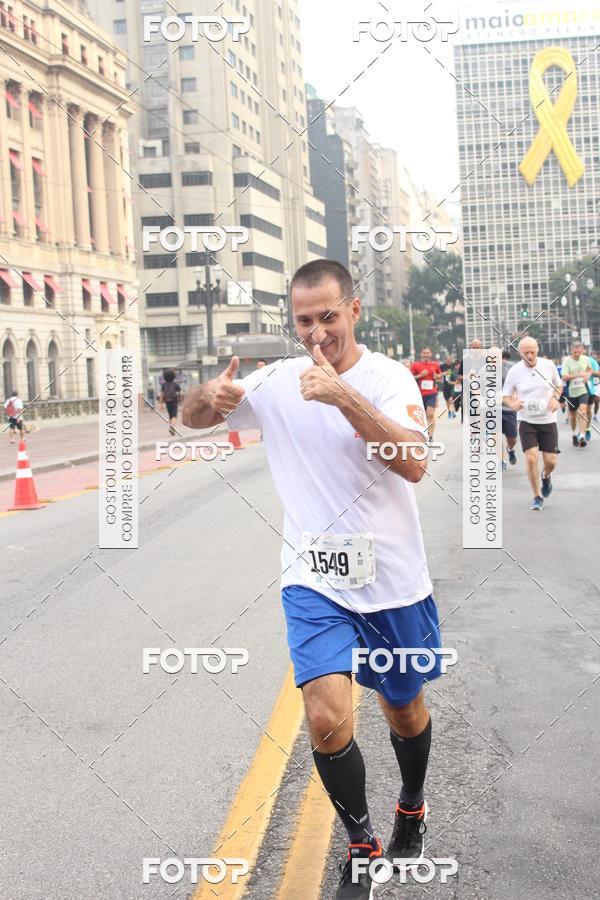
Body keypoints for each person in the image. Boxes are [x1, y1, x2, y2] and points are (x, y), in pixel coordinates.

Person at [182, 259, 444, 899]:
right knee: (326, 717)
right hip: (314, 581)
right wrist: (204, 398)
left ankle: (411, 800)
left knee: (403, 709)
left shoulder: (387, 378)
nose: (317, 333)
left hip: (392, 580)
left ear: (353, 310)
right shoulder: (277, 381)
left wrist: (344, 397)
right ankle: (362, 843)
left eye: (328, 316)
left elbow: (412, 463)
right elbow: (193, 419)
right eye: (304, 321)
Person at [502, 337, 562, 510]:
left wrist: (555, 399)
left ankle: (546, 475)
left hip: (548, 420)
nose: (529, 355)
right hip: (527, 420)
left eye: (532, 352)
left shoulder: (548, 365)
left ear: (537, 349)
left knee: (551, 462)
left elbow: (558, 386)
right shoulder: (515, 371)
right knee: (531, 458)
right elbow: (505, 395)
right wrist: (512, 404)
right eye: (525, 353)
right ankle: (537, 495)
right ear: (519, 354)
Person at [561, 342, 592, 447]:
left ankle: (582, 436)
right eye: (575, 352)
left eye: (579, 352)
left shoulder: (586, 359)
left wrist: (587, 375)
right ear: (571, 351)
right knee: (573, 416)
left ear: (582, 350)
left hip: (583, 390)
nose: (577, 354)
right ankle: (574, 433)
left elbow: (589, 369)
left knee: (583, 411)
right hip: (571, 392)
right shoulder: (567, 361)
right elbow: (564, 377)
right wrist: (578, 375)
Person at [410, 347, 442, 438]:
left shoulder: (435, 365)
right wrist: (420, 375)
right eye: (424, 353)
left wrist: (437, 377)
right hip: (419, 394)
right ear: (421, 354)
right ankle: (422, 434)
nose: (426, 355)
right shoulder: (416, 365)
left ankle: (430, 436)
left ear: (431, 354)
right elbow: (410, 378)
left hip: (431, 393)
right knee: (421, 416)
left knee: (430, 414)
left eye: (428, 353)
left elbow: (440, 377)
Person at [501, 350, 517, 470]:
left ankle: (510, 449)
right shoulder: (484, 371)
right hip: (492, 409)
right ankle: (501, 460)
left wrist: (516, 394)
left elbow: (518, 384)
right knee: (495, 436)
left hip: (509, 408)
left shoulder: (511, 369)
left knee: (512, 438)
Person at [159, 369, 181, 436]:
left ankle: (172, 429)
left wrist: (161, 403)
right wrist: (180, 399)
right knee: (174, 416)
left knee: (170, 416)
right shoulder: (175, 384)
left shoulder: (163, 385)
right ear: (173, 376)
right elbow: (180, 392)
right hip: (174, 401)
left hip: (167, 401)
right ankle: (172, 428)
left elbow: (162, 394)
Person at [585, 349, 599, 432]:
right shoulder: (573, 361)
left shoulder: (592, 361)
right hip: (579, 388)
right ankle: (582, 430)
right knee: (582, 410)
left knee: (588, 409)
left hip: (592, 387)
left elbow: (598, 373)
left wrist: (590, 372)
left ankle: (588, 426)